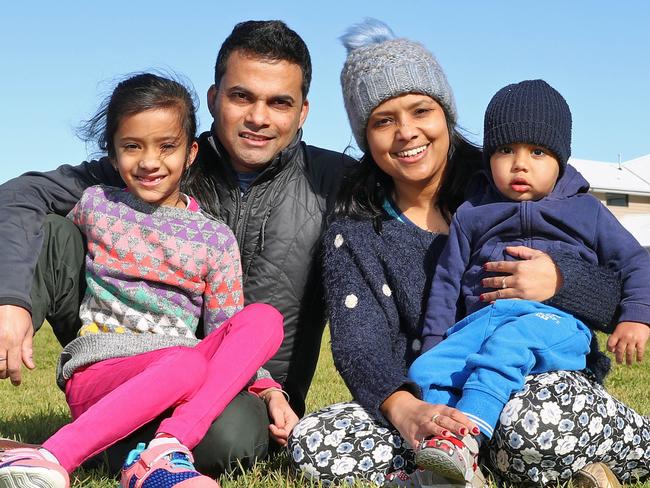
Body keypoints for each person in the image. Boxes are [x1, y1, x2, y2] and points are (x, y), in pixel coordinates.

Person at [288, 19, 649, 487]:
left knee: (533, 421)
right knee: (317, 440)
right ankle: (466, 466)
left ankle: (614, 444)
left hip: (533, 385)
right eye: (383, 120)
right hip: (435, 398)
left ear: (446, 114)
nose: (406, 132)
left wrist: (560, 282)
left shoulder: (511, 184)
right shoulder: (354, 227)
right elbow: (359, 344)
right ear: (364, 134)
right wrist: (408, 410)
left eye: (421, 111)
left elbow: (621, 281)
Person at [0, 20, 349, 474]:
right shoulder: (155, 160)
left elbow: (423, 196)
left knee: (232, 436)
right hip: (115, 363)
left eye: (279, 102)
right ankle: (105, 446)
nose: (259, 117)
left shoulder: (338, 183)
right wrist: (12, 299)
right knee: (49, 228)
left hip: (229, 387)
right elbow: (21, 194)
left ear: (302, 112)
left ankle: (143, 449)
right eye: (242, 96)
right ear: (214, 98)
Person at [408, 79, 650, 483]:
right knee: (427, 368)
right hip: (482, 324)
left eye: (537, 152)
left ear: (561, 158)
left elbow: (635, 263)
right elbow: (446, 283)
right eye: (505, 151)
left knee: (512, 340)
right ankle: (443, 457)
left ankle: (468, 435)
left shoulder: (586, 211)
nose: (520, 164)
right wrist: (437, 343)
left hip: (557, 327)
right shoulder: (471, 215)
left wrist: (636, 317)